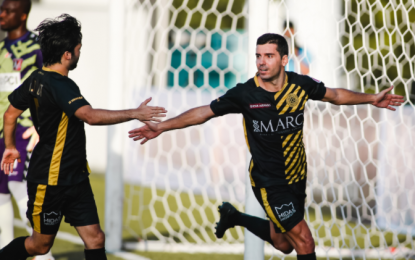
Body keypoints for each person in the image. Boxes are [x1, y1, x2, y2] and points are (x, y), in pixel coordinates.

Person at [127, 33, 404, 260]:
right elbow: (204, 112)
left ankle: (234, 217)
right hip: (269, 183)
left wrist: (371, 98)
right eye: (258, 56)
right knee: (305, 241)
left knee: (283, 244)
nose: (261, 62)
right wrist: (162, 127)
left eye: (268, 56)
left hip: (297, 177)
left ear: (284, 59)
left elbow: (334, 95)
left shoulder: (300, 85)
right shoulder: (245, 93)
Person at [0, 14, 167, 260]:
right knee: (39, 246)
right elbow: (89, 116)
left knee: (95, 238)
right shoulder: (62, 85)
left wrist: (11, 146)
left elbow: (10, 114)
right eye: (78, 49)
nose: (79, 53)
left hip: (76, 177)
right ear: (68, 54)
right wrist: (135, 112)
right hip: (50, 180)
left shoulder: (35, 78)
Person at [0, 1, 52, 259]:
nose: (1, 14)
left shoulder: (37, 47)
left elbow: (54, 83)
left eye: (7, 10)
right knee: (0, 192)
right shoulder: (0, 47)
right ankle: (7, 251)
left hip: (23, 129)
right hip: (1, 129)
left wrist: (42, 124)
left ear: (23, 14)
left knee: (19, 185)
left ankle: (43, 253)